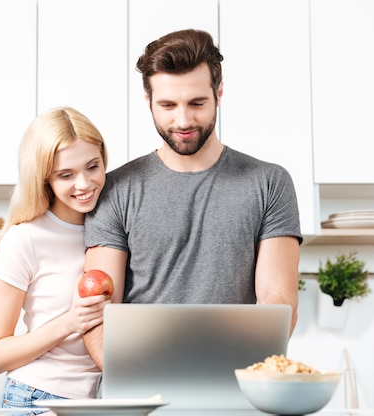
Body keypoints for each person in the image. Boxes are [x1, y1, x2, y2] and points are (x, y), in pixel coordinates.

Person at [82, 29, 303, 370]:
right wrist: (131, 380)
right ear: (148, 101)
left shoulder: (270, 183)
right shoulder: (114, 189)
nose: (183, 120)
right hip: (139, 385)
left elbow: (277, 302)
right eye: (167, 105)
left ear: (219, 94)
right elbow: (97, 309)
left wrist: (242, 379)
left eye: (197, 103)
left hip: (237, 383)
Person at [0, 107, 110, 414]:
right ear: (44, 179)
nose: (84, 184)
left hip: (104, 399)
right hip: (38, 399)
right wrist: (69, 322)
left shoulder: (116, 228)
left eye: (92, 166)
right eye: (66, 175)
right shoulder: (24, 240)